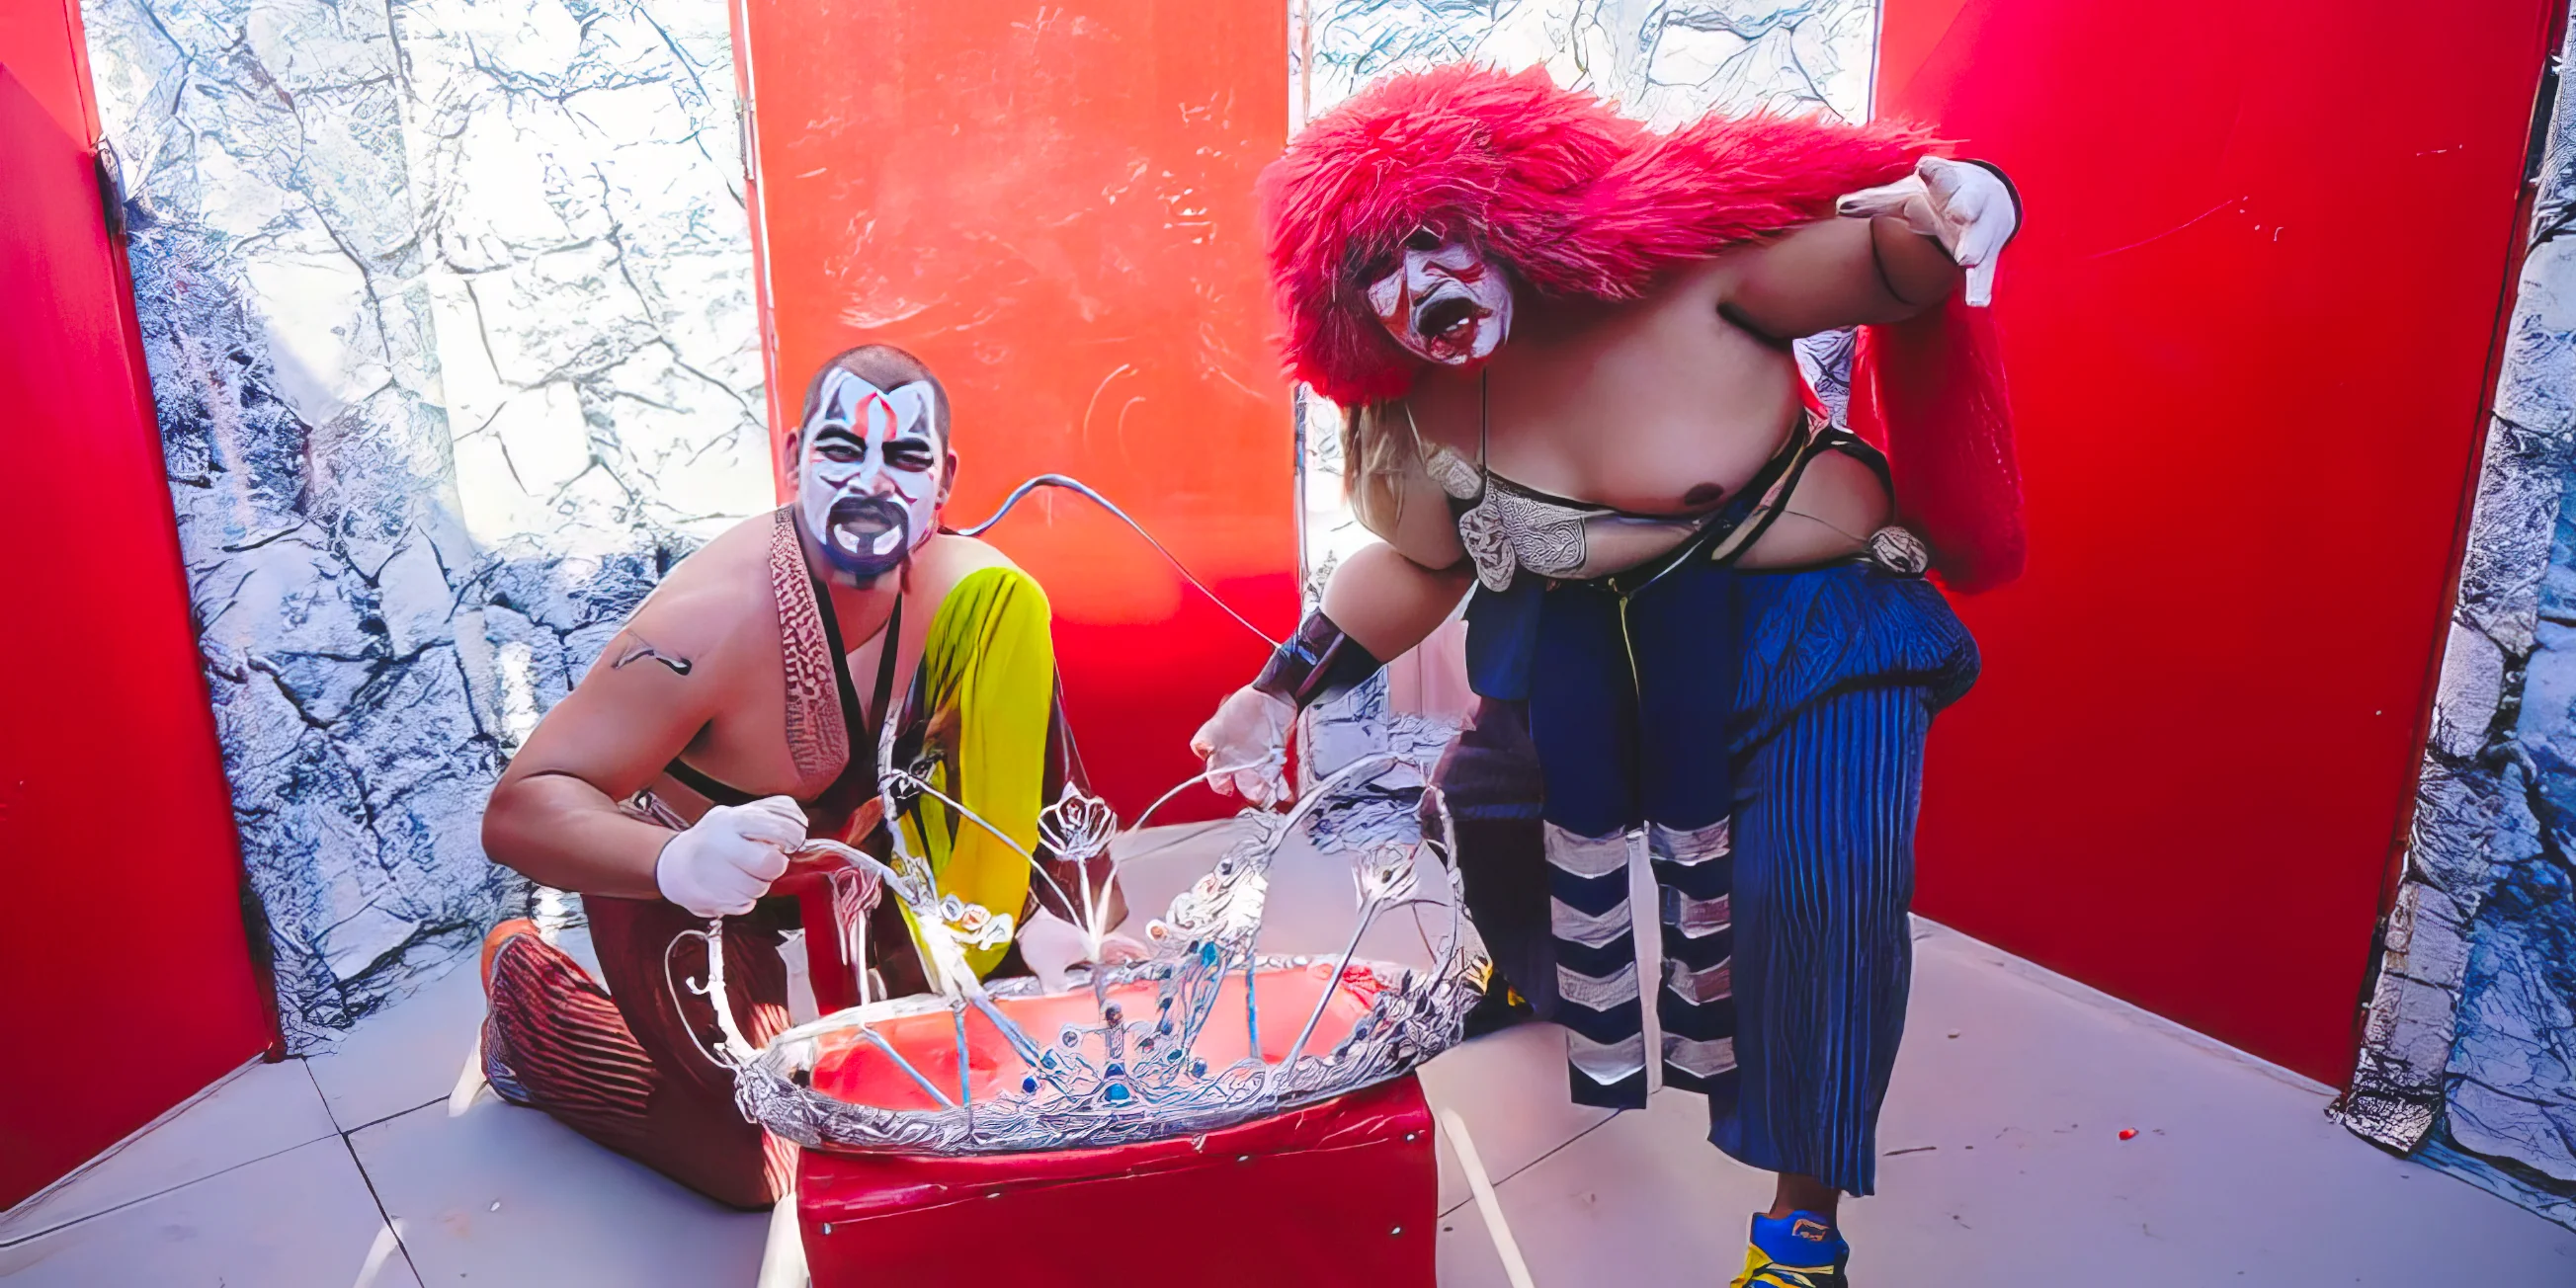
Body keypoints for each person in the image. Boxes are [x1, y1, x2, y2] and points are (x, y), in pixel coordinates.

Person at [1191, 66, 2023, 1288]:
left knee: (1822, 885)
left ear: (1505, 209)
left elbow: (1893, 256)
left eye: (1434, 235)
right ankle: (1524, 969)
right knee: (1485, 808)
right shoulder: (1426, 403)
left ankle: (1801, 1229)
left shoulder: (1688, 276)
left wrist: (1965, 197)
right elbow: (1415, 566)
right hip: (1582, 638)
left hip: (1811, 631)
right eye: (1378, 263)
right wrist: (1276, 687)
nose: (1419, 282)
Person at [478, 344, 1138, 1209]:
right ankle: (531, 1005)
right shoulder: (710, 621)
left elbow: (1045, 788)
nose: (871, 481)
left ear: (944, 479)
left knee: (943, 1090)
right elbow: (520, 807)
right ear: (793, 459)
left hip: (862, 877)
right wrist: (672, 864)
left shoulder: (979, 601)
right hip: (686, 881)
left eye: (903, 458)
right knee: (764, 1155)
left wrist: (1054, 922)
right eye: (840, 449)